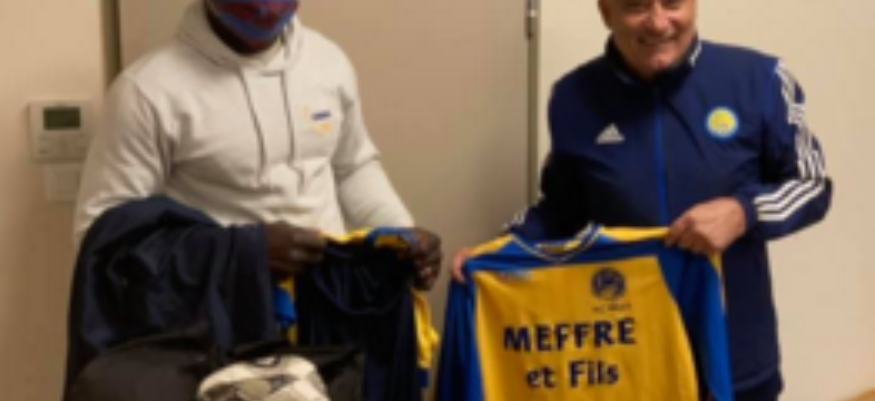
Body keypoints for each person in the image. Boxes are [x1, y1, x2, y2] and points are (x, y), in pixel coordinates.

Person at [452, 0, 832, 400]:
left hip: (735, 354)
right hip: (626, 360)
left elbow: (812, 184)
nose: (658, 22)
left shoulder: (760, 79)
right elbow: (561, 208)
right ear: (606, 12)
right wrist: (498, 250)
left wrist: (744, 212)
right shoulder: (572, 97)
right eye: (636, 6)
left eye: (672, 3)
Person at [75, 0, 442, 290]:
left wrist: (401, 234)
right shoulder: (146, 91)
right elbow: (101, 240)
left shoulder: (328, 62)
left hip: (330, 305)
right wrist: (242, 253)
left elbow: (351, 168)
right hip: (219, 323)